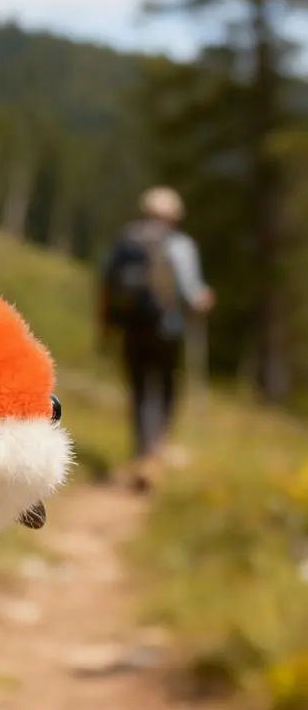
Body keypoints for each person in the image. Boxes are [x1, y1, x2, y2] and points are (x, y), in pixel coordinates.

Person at [99, 185, 215, 489]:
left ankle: (141, 452)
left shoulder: (126, 240)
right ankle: (155, 454)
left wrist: (106, 327)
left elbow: (107, 284)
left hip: (132, 326)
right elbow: (193, 294)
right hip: (168, 329)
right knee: (165, 387)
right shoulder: (180, 245)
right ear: (174, 216)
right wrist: (204, 300)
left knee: (139, 390)